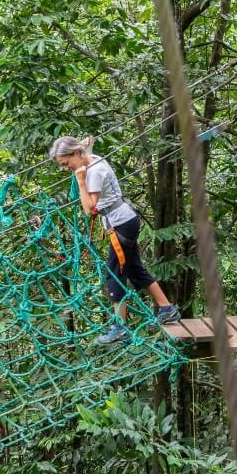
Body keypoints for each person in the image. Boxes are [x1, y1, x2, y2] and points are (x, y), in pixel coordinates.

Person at [49, 135, 181, 343]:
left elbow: (89, 209)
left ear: (76, 154)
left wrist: (80, 182)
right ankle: (167, 308)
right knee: (135, 269)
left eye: (66, 163)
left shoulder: (92, 173)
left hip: (121, 225)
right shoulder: (90, 158)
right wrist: (84, 147)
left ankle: (120, 327)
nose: (66, 168)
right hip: (124, 221)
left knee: (113, 274)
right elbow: (87, 146)